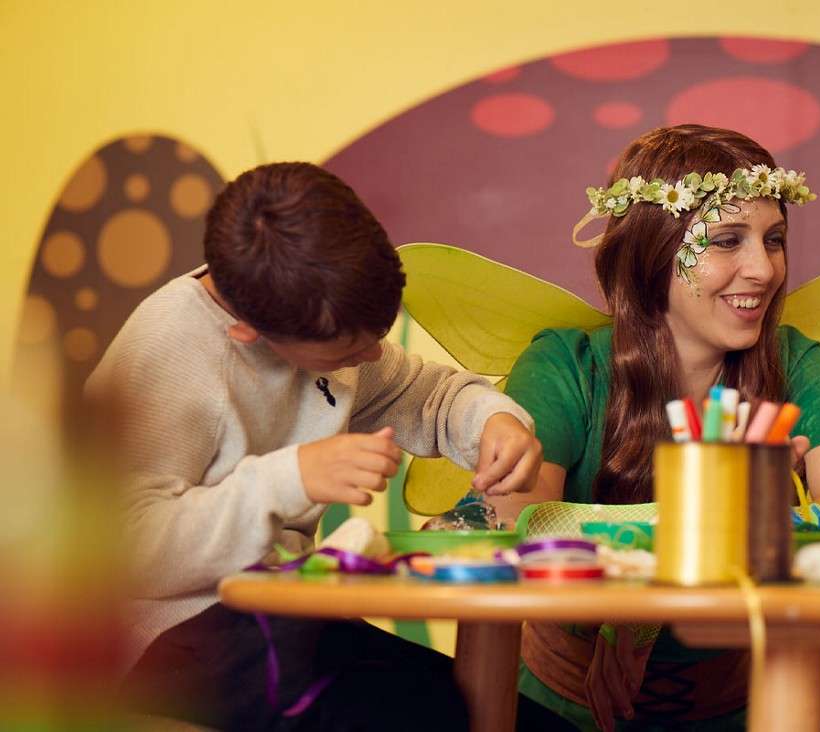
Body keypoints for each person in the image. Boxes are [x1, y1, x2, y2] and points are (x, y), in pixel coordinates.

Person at [94, 162, 550, 730]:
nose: (371, 359)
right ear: (246, 332)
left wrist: (492, 421)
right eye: (344, 352)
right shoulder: (169, 348)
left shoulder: (321, 313)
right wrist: (290, 479)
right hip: (173, 647)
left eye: (377, 338)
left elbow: (417, 391)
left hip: (290, 617)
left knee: (512, 720)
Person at [495, 124, 820, 730]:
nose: (763, 270)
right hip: (559, 712)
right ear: (653, 251)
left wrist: (641, 598)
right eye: (727, 240)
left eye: (774, 239)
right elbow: (523, 521)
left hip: (745, 708)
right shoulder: (564, 363)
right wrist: (737, 510)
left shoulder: (793, 360)